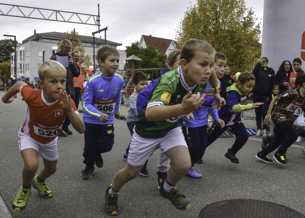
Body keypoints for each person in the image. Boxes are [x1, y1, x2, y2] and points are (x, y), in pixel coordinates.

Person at [104, 39, 216, 216]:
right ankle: (112, 192)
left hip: (170, 128)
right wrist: (183, 109)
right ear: (184, 64)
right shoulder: (169, 80)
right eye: (203, 64)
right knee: (131, 172)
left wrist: (216, 95)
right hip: (148, 131)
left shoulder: (199, 77)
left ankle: (167, 188)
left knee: (183, 164)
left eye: (211, 65)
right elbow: (151, 113)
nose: (209, 70)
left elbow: (213, 79)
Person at [1, 60, 84, 212]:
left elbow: (81, 129)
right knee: (32, 165)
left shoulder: (66, 101)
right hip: (29, 136)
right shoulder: (33, 95)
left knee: (51, 169)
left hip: (50, 140)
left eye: (62, 81)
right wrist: (6, 98)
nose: (59, 85)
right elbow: (19, 85)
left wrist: (69, 111)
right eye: (53, 81)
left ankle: (39, 181)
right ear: (41, 83)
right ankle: (25, 189)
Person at [256, 73, 305, 166]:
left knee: (278, 140)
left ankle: (262, 154)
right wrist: (268, 114)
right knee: (294, 133)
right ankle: (280, 153)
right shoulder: (292, 92)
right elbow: (275, 99)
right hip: (279, 116)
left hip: (289, 119)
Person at [81, 47, 125, 180]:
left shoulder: (119, 80)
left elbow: (117, 98)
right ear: (100, 62)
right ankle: (89, 166)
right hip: (91, 121)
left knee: (107, 145)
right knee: (90, 145)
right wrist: (98, 114)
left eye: (117, 60)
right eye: (112, 60)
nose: (116, 63)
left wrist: (116, 111)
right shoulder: (92, 82)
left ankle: (96, 153)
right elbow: (86, 104)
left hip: (108, 120)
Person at [207, 72, 261, 164]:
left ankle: (231, 152)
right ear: (239, 84)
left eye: (252, 87)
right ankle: (196, 154)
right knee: (209, 139)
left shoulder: (241, 91)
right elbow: (233, 107)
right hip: (223, 120)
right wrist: (250, 106)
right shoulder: (233, 92)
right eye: (248, 86)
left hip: (235, 120)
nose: (250, 89)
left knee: (243, 135)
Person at [183, 82, 225, 178]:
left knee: (202, 146)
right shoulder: (197, 88)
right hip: (192, 123)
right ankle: (185, 166)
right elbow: (186, 104)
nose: (211, 94)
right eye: (209, 92)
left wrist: (217, 119)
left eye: (213, 92)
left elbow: (213, 107)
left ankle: (188, 166)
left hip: (204, 123)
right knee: (196, 147)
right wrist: (187, 111)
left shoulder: (215, 85)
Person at [50, 39, 80, 136]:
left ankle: (65, 126)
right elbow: (49, 71)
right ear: (62, 47)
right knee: (58, 108)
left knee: (72, 107)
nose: (68, 50)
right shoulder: (54, 57)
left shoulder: (69, 58)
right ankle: (57, 128)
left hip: (70, 88)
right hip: (57, 87)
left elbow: (76, 73)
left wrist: (71, 63)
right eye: (67, 48)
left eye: (70, 48)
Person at [252, 57, 275, 136]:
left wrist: (270, 95)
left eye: (265, 61)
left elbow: (272, 84)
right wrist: (258, 63)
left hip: (266, 95)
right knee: (258, 112)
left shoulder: (271, 71)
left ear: (267, 62)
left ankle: (266, 129)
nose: (264, 62)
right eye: (262, 61)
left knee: (265, 113)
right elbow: (253, 73)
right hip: (257, 95)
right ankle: (259, 128)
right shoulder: (257, 70)